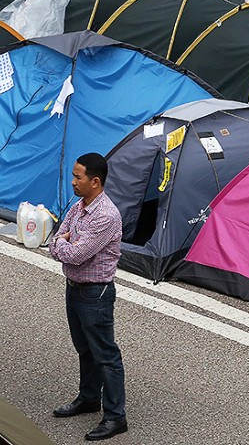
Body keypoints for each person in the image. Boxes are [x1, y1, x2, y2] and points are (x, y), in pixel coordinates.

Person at [49, 153, 128, 441]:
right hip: (74, 288)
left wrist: (61, 242)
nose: (73, 182)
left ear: (95, 181)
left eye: (78, 177)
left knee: (105, 355)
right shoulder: (79, 206)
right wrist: (62, 240)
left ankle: (116, 416)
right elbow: (59, 236)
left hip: (96, 294)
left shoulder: (105, 215)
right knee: (85, 349)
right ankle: (89, 397)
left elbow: (76, 253)